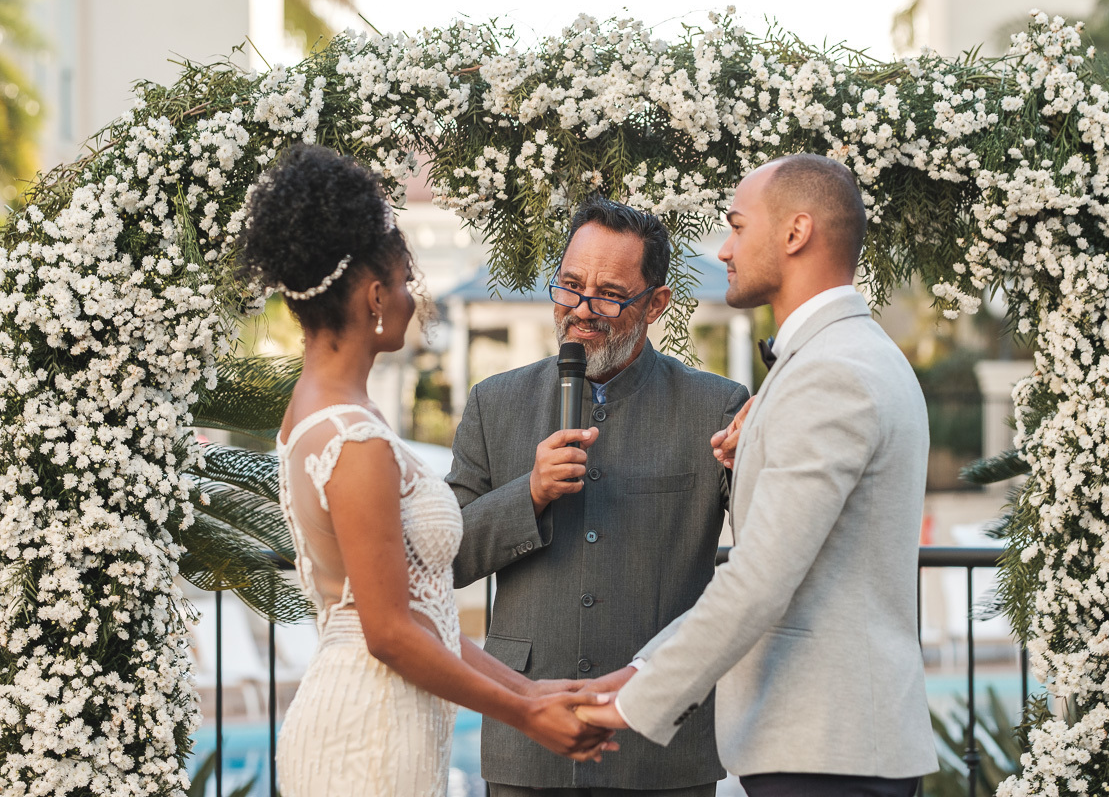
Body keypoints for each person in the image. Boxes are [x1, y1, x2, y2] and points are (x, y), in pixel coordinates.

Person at [237, 144, 615, 797]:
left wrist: (533, 688)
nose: (416, 297)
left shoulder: (321, 408)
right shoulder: (352, 437)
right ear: (376, 293)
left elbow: (421, 616)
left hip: (382, 717)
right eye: (408, 279)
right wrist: (524, 714)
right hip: (369, 736)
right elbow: (388, 634)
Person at [577, 154, 939, 797]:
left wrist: (631, 701)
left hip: (827, 752)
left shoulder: (832, 374)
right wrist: (639, 670)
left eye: (737, 227)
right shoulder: (844, 357)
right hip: (835, 747)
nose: (722, 250)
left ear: (795, 233)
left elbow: (761, 577)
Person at [448, 197, 749, 797]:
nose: (583, 311)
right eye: (569, 287)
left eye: (609, 294)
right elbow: (444, 558)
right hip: (525, 739)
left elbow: (771, 550)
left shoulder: (716, 407)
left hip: (662, 742)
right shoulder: (494, 402)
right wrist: (528, 494)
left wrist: (767, 441)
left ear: (656, 304)